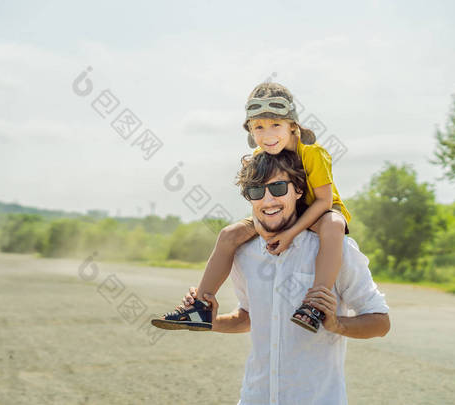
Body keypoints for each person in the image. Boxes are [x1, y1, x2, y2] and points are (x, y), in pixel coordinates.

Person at [183, 150, 390, 404]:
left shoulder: (337, 250)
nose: (268, 200)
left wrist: (338, 325)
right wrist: (212, 322)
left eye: (278, 188)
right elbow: (247, 318)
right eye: (257, 192)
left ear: (299, 190)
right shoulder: (243, 254)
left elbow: (381, 322)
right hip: (254, 397)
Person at [152, 82, 351, 332]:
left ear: (293, 125)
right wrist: (260, 226)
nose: (267, 135)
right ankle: (200, 307)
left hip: (316, 211)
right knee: (229, 234)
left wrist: (289, 233)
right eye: (258, 127)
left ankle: (315, 305)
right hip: (280, 209)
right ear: (249, 130)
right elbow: (257, 200)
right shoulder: (261, 154)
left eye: (275, 125)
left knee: (334, 224)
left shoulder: (312, 152)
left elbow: (323, 200)